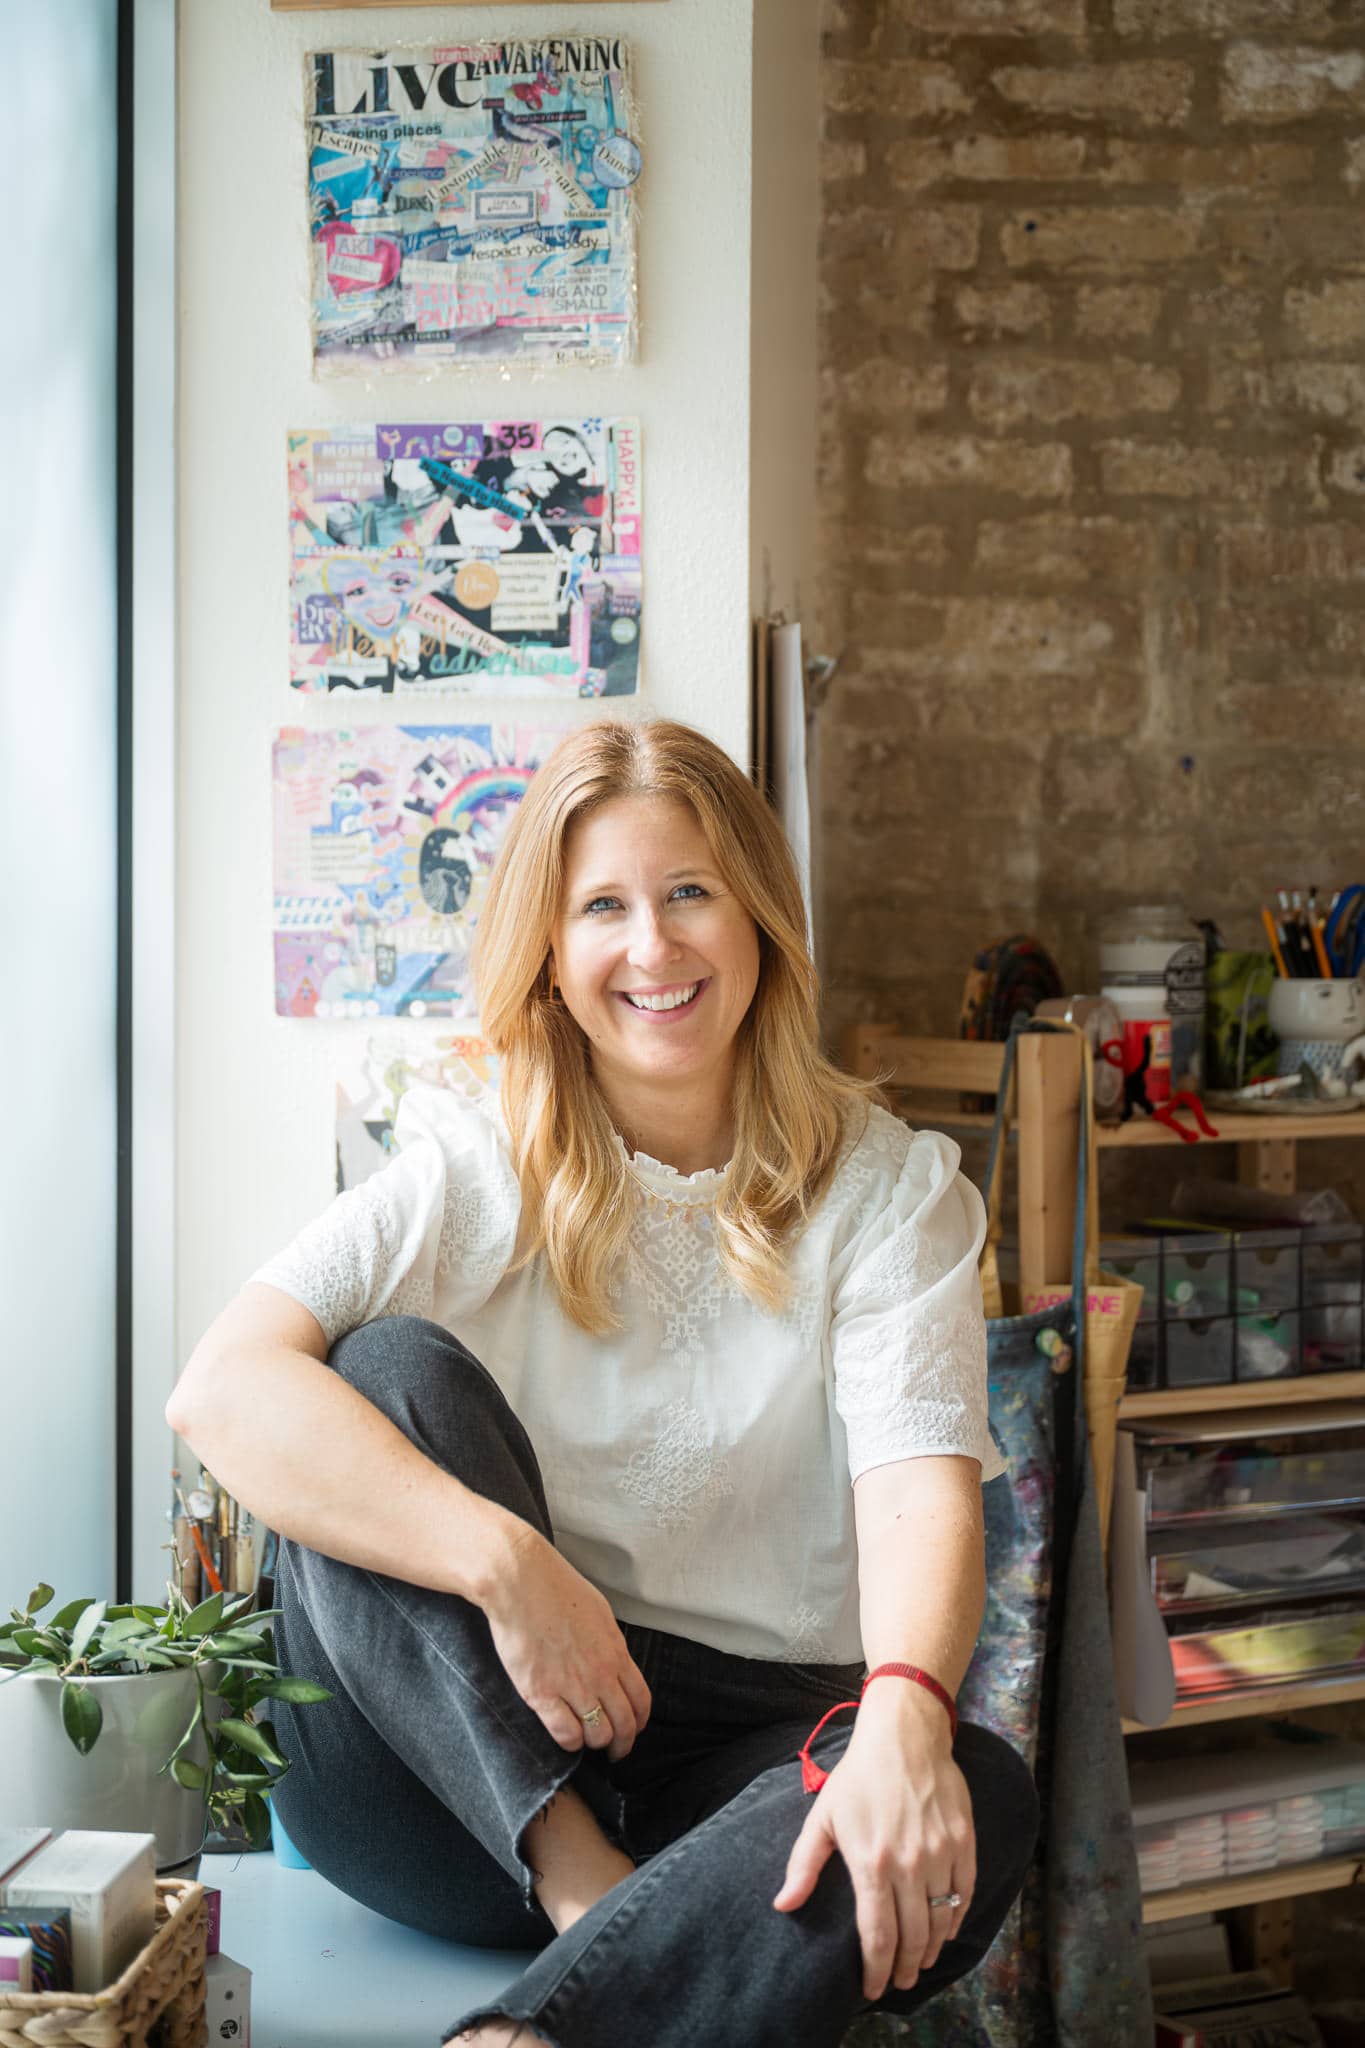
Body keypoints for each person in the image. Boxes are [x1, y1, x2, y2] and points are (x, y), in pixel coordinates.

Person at [169, 719, 1037, 2048]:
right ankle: (600, 1901)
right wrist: (509, 1567)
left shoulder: (887, 1191)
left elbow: (920, 1491)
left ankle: (549, 2026)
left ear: (759, 917)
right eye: (602, 908)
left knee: (971, 1783)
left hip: (734, 1784)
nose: (653, 947)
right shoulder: (476, 1166)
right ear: (551, 954)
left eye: (689, 892)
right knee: (381, 1374)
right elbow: (222, 1390)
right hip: (443, 1778)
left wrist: (908, 1714)